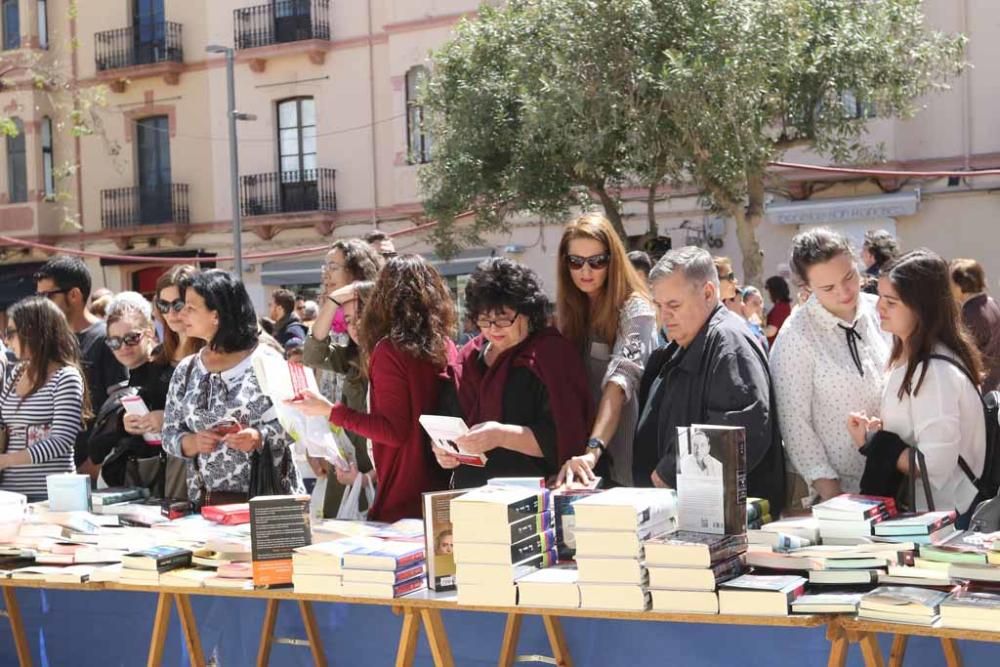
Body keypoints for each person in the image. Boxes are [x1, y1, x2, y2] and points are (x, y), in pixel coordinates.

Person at [287, 255, 456, 522]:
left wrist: (331, 411)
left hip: (401, 497)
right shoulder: (443, 345)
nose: (355, 325)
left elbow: (393, 431)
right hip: (437, 492)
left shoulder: (389, 351)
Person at [631, 246, 785, 515]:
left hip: (720, 518)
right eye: (659, 306)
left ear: (708, 293)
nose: (664, 316)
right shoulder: (688, 340)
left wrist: (668, 472)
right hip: (691, 511)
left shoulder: (729, 342)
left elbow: (737, 429)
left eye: (674, 305)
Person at [848, 250, 985, 526]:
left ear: (921, 307)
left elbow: (933, 464)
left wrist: (875, 444)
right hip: (935, 515)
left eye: (891, 301)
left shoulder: (934, 370)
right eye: (880, 297)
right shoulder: (918, 357)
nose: (879, 308)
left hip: (946, 522)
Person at [435, 258, 593, 488]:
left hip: (532, 495)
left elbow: (564, 436)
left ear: (528, 312)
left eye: (503, 318)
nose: (493, 329)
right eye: (484, 320)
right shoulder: (468, 358)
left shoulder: (551, 356)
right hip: (470, 493)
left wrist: (501, 436)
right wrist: (443, 450)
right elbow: (449, 419)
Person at [161, 270, 304, 505]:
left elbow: (297, 423)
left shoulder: (267, 360)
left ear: (216, 316)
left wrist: (259, 437)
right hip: (208, 507)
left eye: (190, 307)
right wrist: (193, 442)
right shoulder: (187, 370)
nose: (181, 313)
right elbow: (169, 434)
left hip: (270, 504)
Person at [770, 228, 891, 503]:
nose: (844, 291)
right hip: (835, 494)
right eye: (828, 288)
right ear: (807, 288)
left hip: (890, 478)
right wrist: (832, 493)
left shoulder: (877, 310)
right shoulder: (796, 334)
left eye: (849, 276)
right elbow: (794, 423)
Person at [553, 213, 658, 488]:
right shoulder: (569, 311)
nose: (585, 272)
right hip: (578, 460)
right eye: (576, 262)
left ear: (613, 260)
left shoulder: (636, 309)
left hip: (627, 457)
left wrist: (593, 449)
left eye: (597, 261)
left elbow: (620, 381)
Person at [34, 256, 128, 469]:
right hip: (48, 465)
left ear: (74, 295)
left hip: (90, 467)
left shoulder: (106, 339)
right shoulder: (44, 343)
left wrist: (95, 462)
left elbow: (119, 405)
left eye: (47, 296)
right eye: (38, 296)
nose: (40, 304)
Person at [86, 293, 183, 496]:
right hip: (134, 483)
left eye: (131, 338)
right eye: (114, 342)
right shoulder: (123, 383)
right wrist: (122, 423)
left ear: (149, 333)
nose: (123, 348)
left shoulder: (173, 371)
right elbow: (95, 450)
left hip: (171, 483)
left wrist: (166, 418)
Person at [0, 297, 87, 501]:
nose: (6, 341)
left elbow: (61, 441)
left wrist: (5, 461)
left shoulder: (66, 377)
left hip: (53, 497)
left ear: (33, 333)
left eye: (11, 334)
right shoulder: (18, 371)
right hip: (11, 495)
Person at [302, 280, 376, 518]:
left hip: (376, 482)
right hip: (349, 476)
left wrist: (367, 479)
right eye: (348, 321)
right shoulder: (353, 358)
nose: (355, 327)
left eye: (361, 317)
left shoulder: (396, 360)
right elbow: (314, 354)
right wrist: (333, 301)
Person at [950, 258, 1000, 391]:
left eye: (950, 282)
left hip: (979, 389)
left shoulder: (969, 315)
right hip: (994, 384)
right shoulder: (992, 303)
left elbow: (962, 356)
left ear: (961, 286)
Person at [154, 265, 205, 367]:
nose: (171, 312)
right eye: (163, 305)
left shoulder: (211, 354)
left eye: (178, 304)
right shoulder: (158, 354)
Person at [763, 276, 792, 346]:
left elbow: (771, 331)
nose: (768, 294)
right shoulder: (784, 306)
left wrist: (754, 331)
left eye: (769, 291)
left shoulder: (780, 307)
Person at [739, 287, 769, 354]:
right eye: (755, 303)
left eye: (761, 302)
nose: (760, 307)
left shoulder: (756, 326)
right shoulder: (742, 327)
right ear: (744, 304)